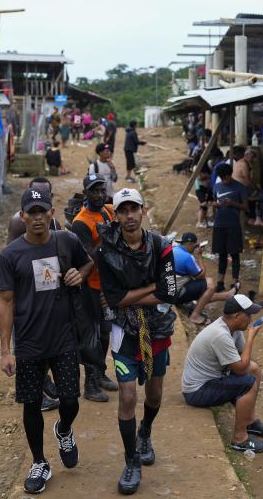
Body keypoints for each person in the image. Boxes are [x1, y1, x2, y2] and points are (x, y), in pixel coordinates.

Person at [0, 187, 94, 494]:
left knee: (69, 399)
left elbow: (88, 263)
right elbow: (6, 302)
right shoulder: (10, 255)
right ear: (22, 216)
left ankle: (64, 429)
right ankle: (39, 461)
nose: (37, 218)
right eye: (31, 212)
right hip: (28, 342)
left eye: (43, 211)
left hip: (64, 336)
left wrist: (80, 274)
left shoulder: (66, 240)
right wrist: (5, 351)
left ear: (52, 213)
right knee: (31, 405)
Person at [98, 187, 177, 495]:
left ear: (143, 211)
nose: (129, 215)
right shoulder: (106, 252)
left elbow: (170, 293)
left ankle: (145, 431)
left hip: (158, 330)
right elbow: (115, 300)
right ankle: (131, 461)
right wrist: (150, 287)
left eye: (134, 209)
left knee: (154, 395)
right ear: (116, 216)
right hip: (123, 332)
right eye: (123, 210)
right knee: (128, 396)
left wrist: (130, 298)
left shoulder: (161, 246)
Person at [181, 293, 263, 453]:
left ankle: (250, 421)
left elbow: (241, 359)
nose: (251, 319)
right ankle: (239, 439)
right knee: (247, 382)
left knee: (254, 369)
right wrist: (251, 338)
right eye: (249, 314)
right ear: (237, 316)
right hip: (196, 391)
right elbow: (239, 369)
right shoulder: (220, 334)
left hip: (211, 380)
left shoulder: (233, 328)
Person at [6, 177, 63, 413]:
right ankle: (37, 394)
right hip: (26, 294)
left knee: (49, 343)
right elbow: (13, 256)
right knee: (28, 345)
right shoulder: (18, 223)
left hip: (47, 294)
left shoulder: (55, 225)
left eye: (44, 195)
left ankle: (43, 381)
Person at [69, 174, 119, 402]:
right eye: (94, 191)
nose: (99, 195)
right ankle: (89, 384)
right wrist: (105, 241)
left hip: (108, 284)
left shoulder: (107, 211)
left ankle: (99, 373)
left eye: (102, 190)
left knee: (106, 331)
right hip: (90, 287)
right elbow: (85, 257)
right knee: (91, 335)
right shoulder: (81, 222)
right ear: (85, 193)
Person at [173, 232, 236, 324]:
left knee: (203, 289)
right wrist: (200, 256)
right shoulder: (187, 257)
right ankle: (195, 316)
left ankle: (226, 296)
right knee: (209, 284)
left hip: (168, 290)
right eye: (194, 246)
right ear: (190, 244)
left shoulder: (174, 249)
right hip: (175, 295)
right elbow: (201, 275)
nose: (195, 247)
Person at [212, 163, 246, 293]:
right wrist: (216, 204)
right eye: (222, 178)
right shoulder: (217, 186)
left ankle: (234, 283)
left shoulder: (240, 187)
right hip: (219, 225)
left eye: (225, 178)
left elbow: (245, 207)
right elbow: (214, 202)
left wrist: (233, 204)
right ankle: (220, 282)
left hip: (233, 225)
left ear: (230, 175)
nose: (224, 180)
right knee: (222, 254)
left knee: (235, 254)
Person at [233, 148, 263, 226]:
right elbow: (248, 180)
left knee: (257, 195)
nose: (253, 160)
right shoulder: (244, 164)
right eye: (252, 157)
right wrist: (256, 188)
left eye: (254, 158)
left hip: (239, 188)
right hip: (241, 190)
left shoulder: (239, 162)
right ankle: (260, 219)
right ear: (246, 156)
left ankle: (253, 218)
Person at [195, 164, 213, 229]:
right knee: (203, 205)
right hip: (200, 189)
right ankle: (199, 222)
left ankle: (205, 222)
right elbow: (199, 177)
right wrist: (207, 176)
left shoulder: (204, 168)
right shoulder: (198, 168)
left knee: (205, 207)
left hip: (204, 189)